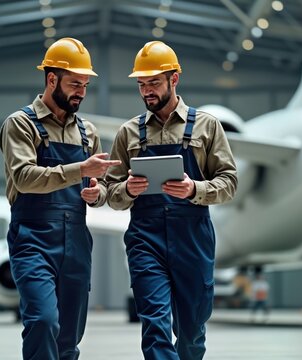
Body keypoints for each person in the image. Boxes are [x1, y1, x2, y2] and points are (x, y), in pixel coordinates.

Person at [105, 41, 238, 360]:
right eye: (141, 84)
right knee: (155, 325)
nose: (147, 91)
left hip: (193, 238)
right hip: (145, 240)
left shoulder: (207, 127)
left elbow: (229, 182)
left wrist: (195, 189)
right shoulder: (129, 133)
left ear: (174, 79)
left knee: (192, 332)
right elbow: (110, 192)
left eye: (153, 83)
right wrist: (129, 190)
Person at [0, 37, 120, 360]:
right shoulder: (21, 124)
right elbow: (24, 178)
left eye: (85, 85)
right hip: (33, 239)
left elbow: (100, 186)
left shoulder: (87, 132)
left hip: (76, 242)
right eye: (74, 83)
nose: (81, 91)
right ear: (52, 79)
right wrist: (81, 169)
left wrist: (97, 194)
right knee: (42, 321)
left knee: (68, 338)